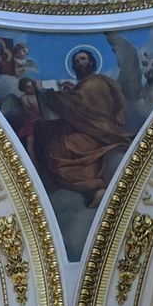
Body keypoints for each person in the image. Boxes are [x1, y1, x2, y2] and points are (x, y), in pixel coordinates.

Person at [32, 49, 132, 208]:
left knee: (58, 151)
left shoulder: (96, 82)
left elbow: (77, 105)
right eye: (76, 62)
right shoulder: (88, 84)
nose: (79, 64)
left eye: (83, 59)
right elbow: (80, 105)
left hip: (96, 132)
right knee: (43, 128)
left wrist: (46, 93)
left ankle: (94, 189)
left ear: (92, 61)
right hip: (91, 128)